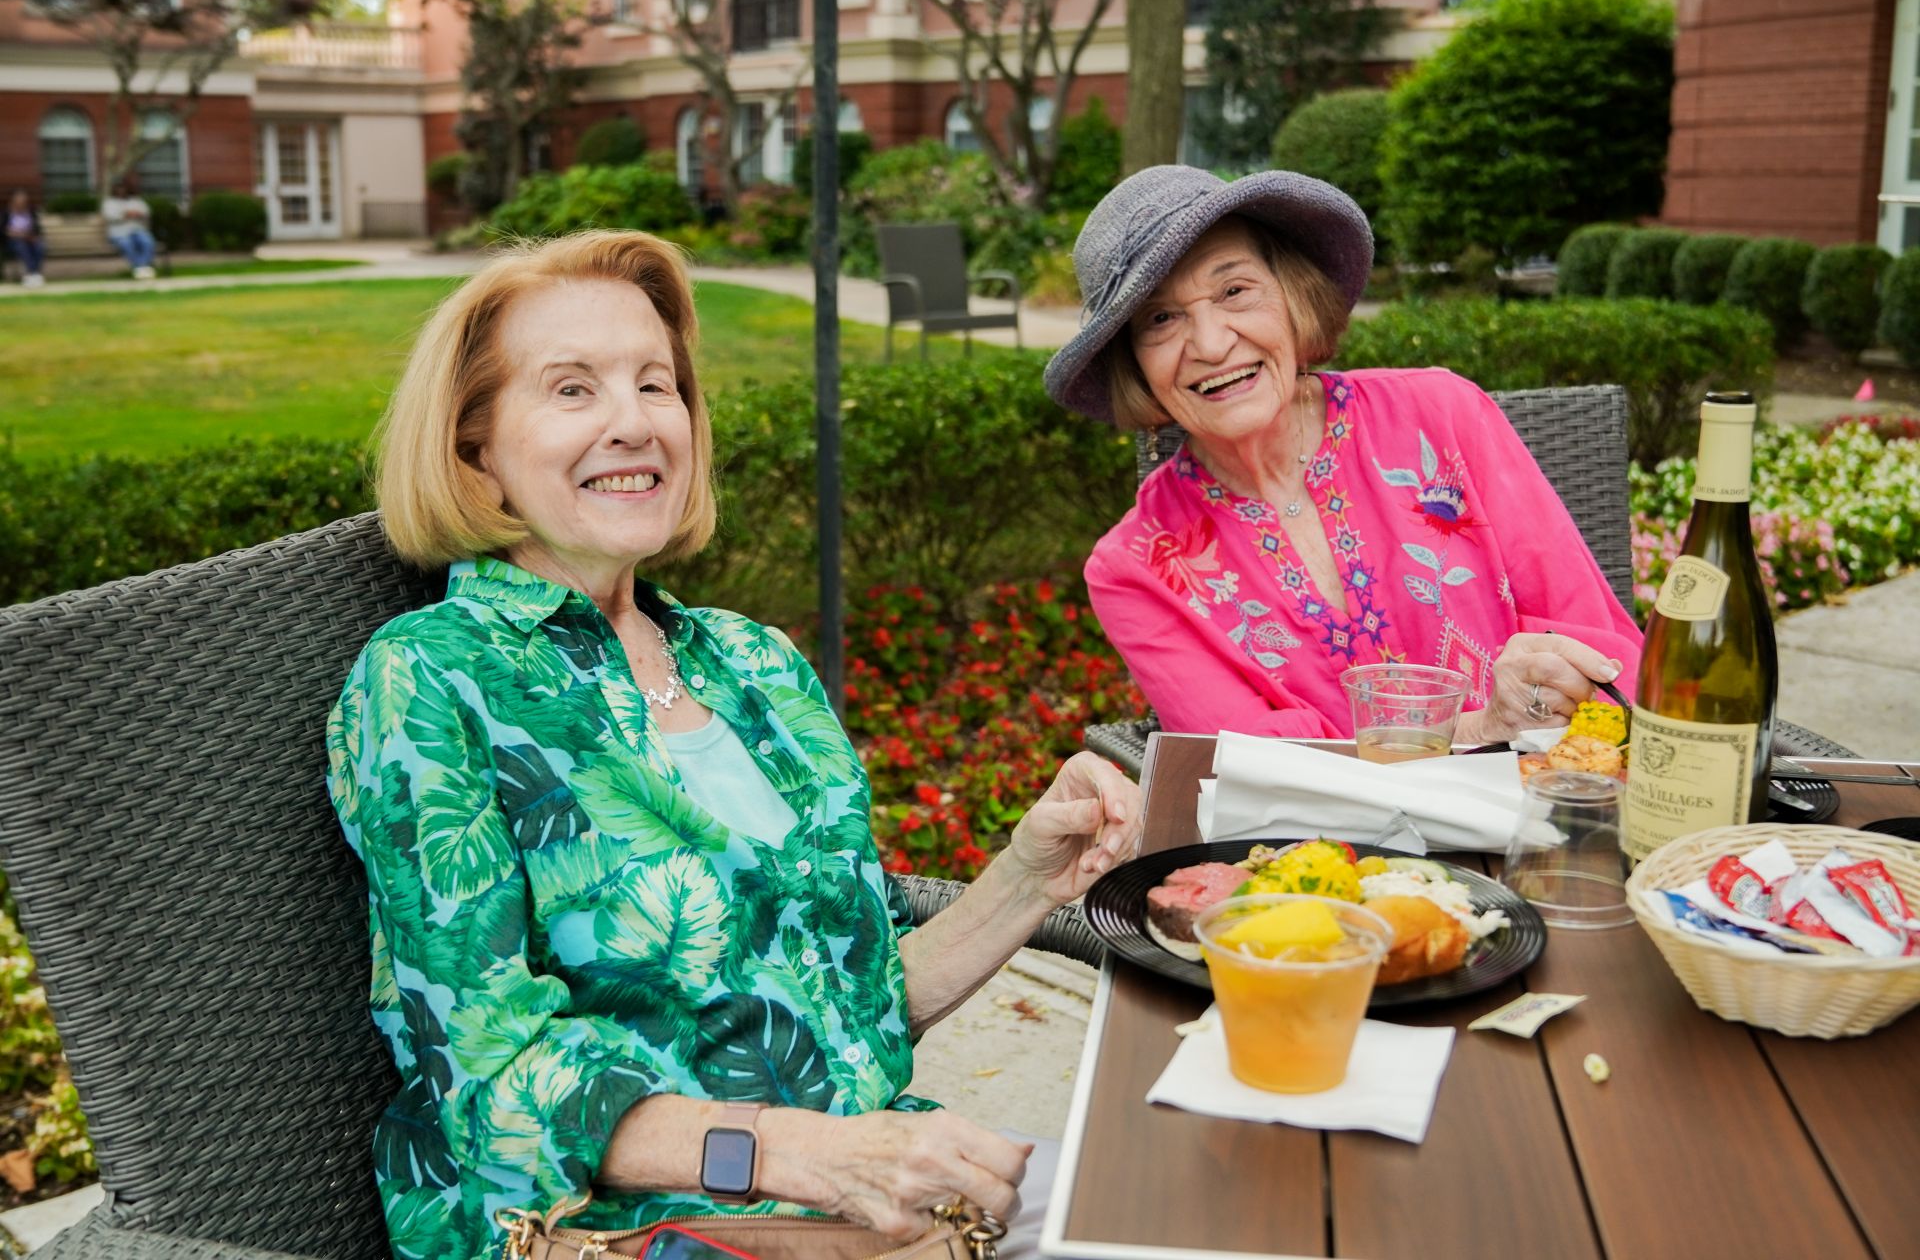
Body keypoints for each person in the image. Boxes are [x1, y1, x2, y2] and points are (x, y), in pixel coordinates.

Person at [325, 229, 1141, 1260]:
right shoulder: (432, 677)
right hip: (613, 1230)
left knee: (1209, 1205)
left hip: (865, 1196)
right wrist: (804, 1155)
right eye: (572, 390)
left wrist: (1029, 875)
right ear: (474, 450)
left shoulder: (753, 664)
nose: (632, 422)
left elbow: (849, 1008)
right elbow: (492, 1078)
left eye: (655, 384)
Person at [1043, 167, 1643, 744]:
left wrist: (1543, 701)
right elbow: (1258, 767)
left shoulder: (1441, 414)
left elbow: (1590, 635)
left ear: (1291, 297)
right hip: (1326, 847)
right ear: (1133, 363)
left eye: (1234, 290)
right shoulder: (1135, 569)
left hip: (1550, 800)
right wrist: (1476, 729)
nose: (1211, 342)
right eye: (1161, 318)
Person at [101, 178, 158, 279]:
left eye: (123, 189)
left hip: (137, 230)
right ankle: (141, 267)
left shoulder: (136, 201)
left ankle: (142, 267)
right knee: (126, 244)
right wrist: (126, 214)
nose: (121, 191)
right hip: (119, 233)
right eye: (118, 189)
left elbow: (146, 213)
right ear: (114, 190)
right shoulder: (109, 203)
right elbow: (110, 216)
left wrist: (138, 214)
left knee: (148, 241)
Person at [5, 190, 45, 287]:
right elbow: (3, 230)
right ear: (13, 201)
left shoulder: (31, 213)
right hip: (13, 241)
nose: (21, 203)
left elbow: (37, 229)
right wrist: (14, 234)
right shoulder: (6, 214)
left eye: (23, 201)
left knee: (40, 246)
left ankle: (33, 274)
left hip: (29, 239)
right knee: (22, 247)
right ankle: (33, 274)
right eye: (19, 201)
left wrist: (32, 236)